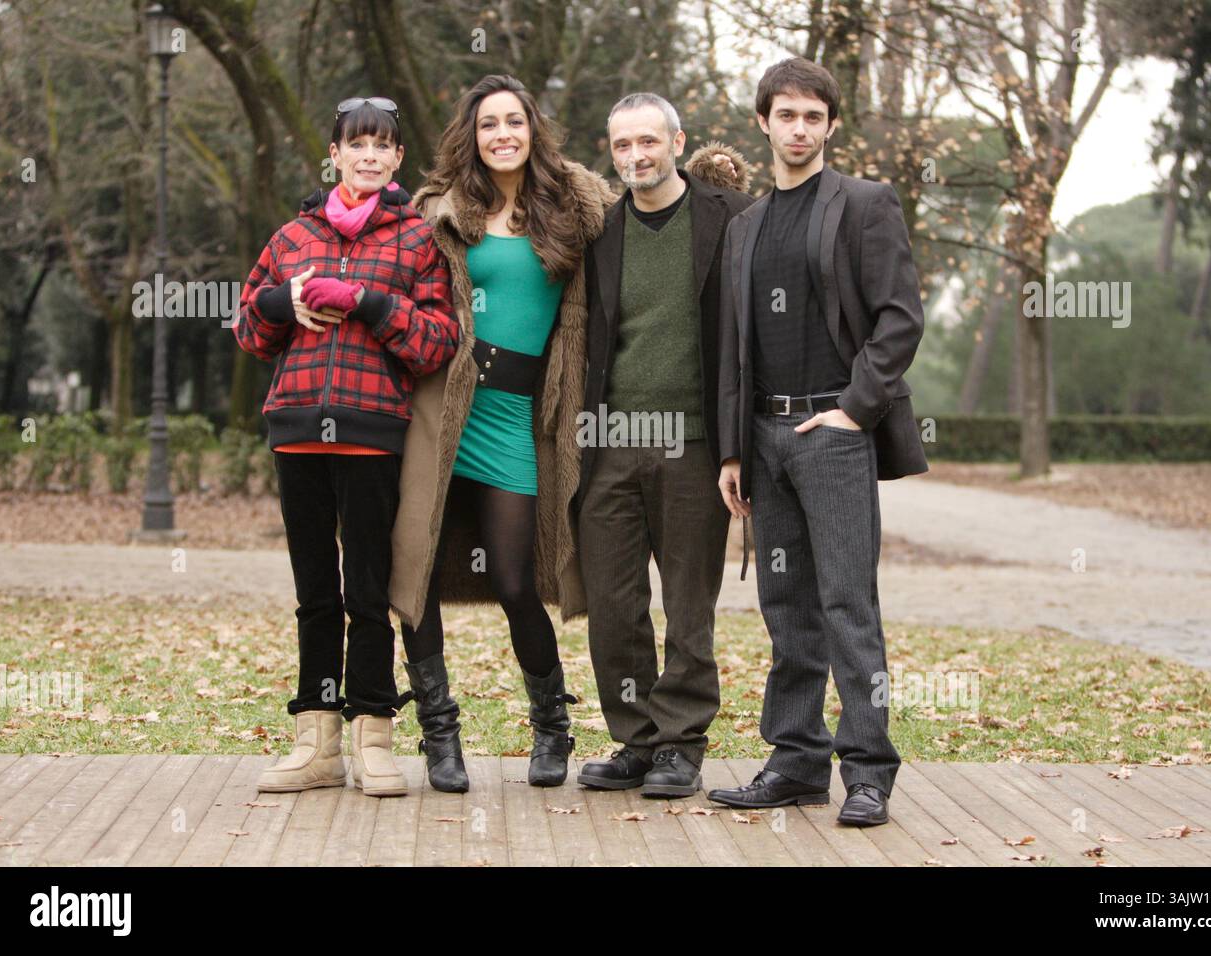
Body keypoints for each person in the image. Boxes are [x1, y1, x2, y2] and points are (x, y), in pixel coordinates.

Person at [388, 75, 745, 792]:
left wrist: (711, 176)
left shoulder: (575, 207)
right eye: (488, 124)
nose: (501, 136)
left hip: (529, 416)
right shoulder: (439, 211)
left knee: (524, 579)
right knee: (422, 573)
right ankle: (445, 736)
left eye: (513, 121)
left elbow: (674, 206)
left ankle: (563, 727)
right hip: (447, 410)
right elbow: (390, 271)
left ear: (533, 129)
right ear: (472, 134)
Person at [710, 58, 928, 826]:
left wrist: (852, 411)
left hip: (832, 437)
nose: (799, 128)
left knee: (847, 604)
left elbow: (900, 319)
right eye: (786, 115)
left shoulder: (866, 205)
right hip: (763, 439)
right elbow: (735, 348)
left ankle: (868, 771)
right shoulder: (745, 225)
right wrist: (732, 450)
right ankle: (795, 762)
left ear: (831, 125)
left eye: (813, 116)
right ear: (763, 122)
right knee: (785, 606)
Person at [233, 96, 458, 798]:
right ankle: (317, 740)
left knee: (366, 590)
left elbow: (438, 343)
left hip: (372, 434)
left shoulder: (417, 240)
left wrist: (370, 303)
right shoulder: (292, 236)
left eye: (381, 146)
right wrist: (281, 303)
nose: (367, 155)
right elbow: (246, 325)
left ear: (396, 160)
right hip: (296, 429)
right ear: (333, 153)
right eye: (354, 144)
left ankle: (374, 734)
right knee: (313, 593)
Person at [575, 93, 754, 798]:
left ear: (678, 142)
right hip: (611, 444)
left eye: (648, 142)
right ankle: (636, 740)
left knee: (687, 605)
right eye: (621, 146)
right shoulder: (601, 233)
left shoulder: (731, 220)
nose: (635, 157)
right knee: (614, 606)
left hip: (695, 445)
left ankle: (681, 743)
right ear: (609, 150)